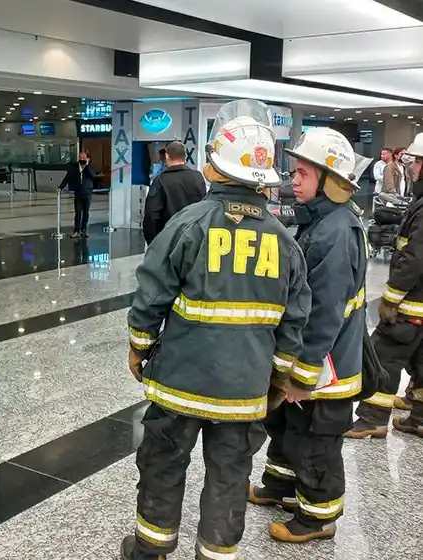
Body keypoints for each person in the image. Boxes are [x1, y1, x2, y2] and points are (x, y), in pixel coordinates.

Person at [120, 100, 311, 560]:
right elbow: (295, 318)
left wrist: (138, 347)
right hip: (244, 391)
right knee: (230, 475)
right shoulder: (286, 242)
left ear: (217, 165)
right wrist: (279, 376)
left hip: (180, 384)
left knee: (163, 464)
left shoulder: (188, 225)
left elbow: (152, 293)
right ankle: (216, 553)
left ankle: (152, 549)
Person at [249, 128, 368, 544]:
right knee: (285, 424)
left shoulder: (336, 232)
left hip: (325, 367)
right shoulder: (321, 220)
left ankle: (317, 517)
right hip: (310, 359)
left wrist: (302, 374)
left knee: (314, 441)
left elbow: (323, 314)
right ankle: (280, 487)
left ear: (330, 180)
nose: (292, 180)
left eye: (302, 173)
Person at [347, 133, 423, 438]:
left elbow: (415, 258)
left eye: (418, 161)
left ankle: (372, 418)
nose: (413, 167)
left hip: (412, 303)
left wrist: (391, 297)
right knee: (421, 360)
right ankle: (418, 418)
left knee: (383, 353)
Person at [142, 141, 207, 245]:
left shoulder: (160, 181)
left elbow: (152, 214)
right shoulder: (198, 177)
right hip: (194, 240)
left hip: (168, 241)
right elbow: (204, 208)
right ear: (185, 157)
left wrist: (152, 242)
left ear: (167, 156)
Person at [58, 150, 96, 238]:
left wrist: (86, 166)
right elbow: (67, 178)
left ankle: (84, 230)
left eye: (83, 158)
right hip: (78, 193)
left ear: (88, 159)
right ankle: (76, 231)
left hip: (87, 193)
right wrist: (60, 187)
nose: (81, 159)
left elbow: (93, 176)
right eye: (80, 157)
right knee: (78, 212)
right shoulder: (74, 167)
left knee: (86, 212)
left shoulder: (91, 167)